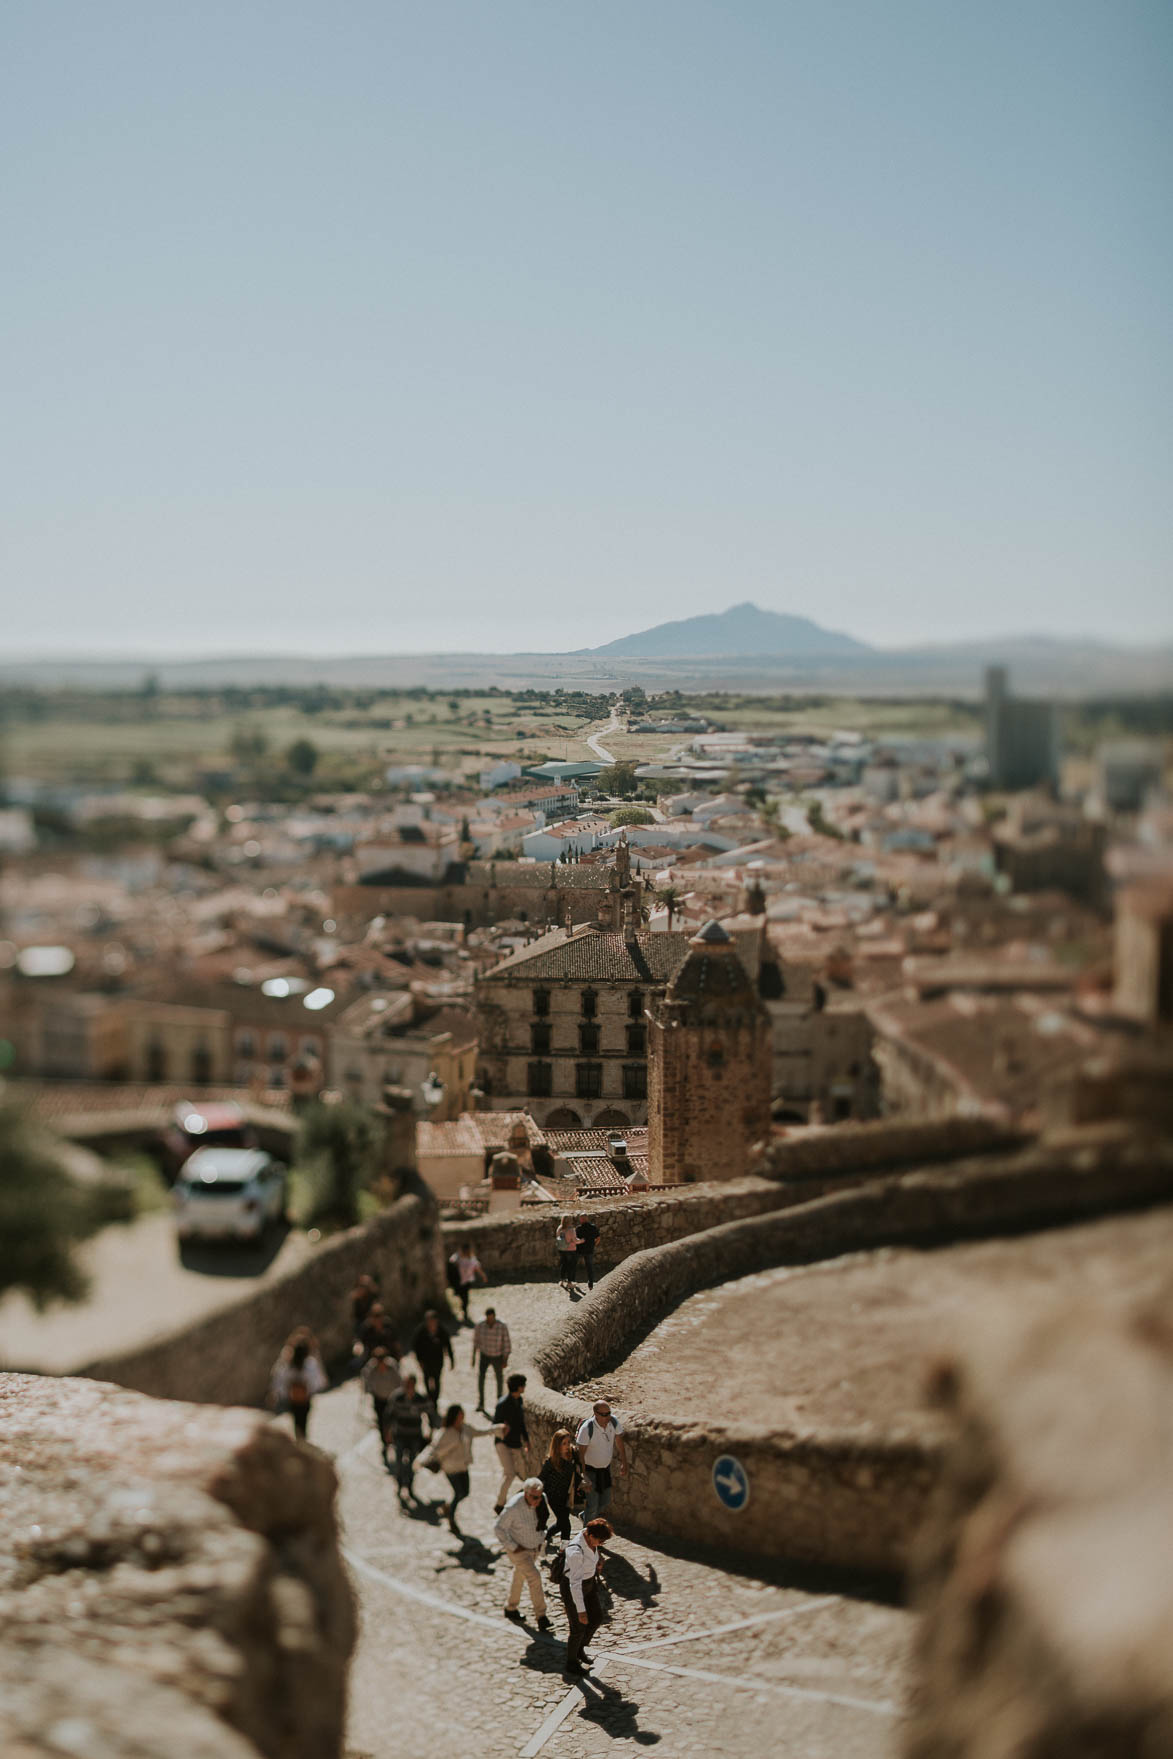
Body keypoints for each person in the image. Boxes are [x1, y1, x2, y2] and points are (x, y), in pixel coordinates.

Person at [421, 1403, 500, 1535]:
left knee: (465, 1492)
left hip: (463, 1466)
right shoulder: (445, 1433)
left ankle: (447, 1507)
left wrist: (496, 1429)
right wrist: (423, 1461)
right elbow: (434, 1449)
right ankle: (451, 1520)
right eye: (460, 1414)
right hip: (450, 1469)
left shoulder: (466, 1429)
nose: (462, 1417)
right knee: (458, 1493)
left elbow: (479, 1432)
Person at [494, 1478, 552, 1630]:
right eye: (534, 1497)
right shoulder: (514, 1507)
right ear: (526, 1493)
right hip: (518, 1550)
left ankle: (510, 1608)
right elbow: (499, 1528)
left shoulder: (542, 1499)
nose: (538, 1500)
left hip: (534, 1548)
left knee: (519, 1576)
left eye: (540, 1496)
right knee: (534, 1577)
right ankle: (541, 1616)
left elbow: (543, 1520)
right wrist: (512, 1546)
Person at [559, 1518, 612, 1676]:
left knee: (596, 1617)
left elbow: (592, 1556)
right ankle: (571, 1662)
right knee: (578, 1626)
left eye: (603, 1542)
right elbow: (574, 1585)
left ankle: (580, 1648)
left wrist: (598, 1562)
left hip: (589, 1584)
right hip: (574, 1588)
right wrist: (581, 1611)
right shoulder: (575, 1551)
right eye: (599, 1540)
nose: (601, 1544)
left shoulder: (591, 1540)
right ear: (589, 1535)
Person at [269, 1327, 327, 1443]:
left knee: (297, 1421)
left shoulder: (286, 1367)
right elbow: (319, 1382)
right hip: (305, 1399)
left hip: (293, 1400)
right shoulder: (310, 1365)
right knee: (303, 1421)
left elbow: (278, 1381)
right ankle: (302, 1440)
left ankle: (300, 1439)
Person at [575, 1400, 628, 1522]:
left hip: (605, 1470)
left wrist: (624, 1462)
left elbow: (619, 1442)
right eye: (603, 1414)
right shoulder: (587, 1428)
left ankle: (585, 1516)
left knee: (605, 1501)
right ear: (596, 1414)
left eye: (608, 1413)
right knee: (592, 1505)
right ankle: (588, 1535)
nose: (607, 1417)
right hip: (590, 1471)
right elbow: (580, 1454)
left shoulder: (613, 1422)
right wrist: (583, 1476)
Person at [384, 1372, 434, 1499]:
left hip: (414, 1436)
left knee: (412, 1464)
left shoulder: (421, 1399)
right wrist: (388, 1432)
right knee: (399, 1464)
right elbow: (389, 1416)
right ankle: (400, 1485)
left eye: (410, 1384)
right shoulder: (397, 1397)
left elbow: (430, 1414)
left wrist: (431, 1432)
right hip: (400, 1435)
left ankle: (410, 1486)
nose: (408, 1387)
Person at [492, 1373, 531, 1513]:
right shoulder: (503, 1404)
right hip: (503, 1443)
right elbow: (495, 1424)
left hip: (515, 1443)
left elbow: (521, 1423)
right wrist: (503, 1428)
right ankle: (500, 1504)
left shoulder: (518, 1400)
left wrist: (526, 1440)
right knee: (509, 1474)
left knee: (521, 1473)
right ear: (519, 1387)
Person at [539, 1428, 582, 1547]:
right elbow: (540, 1478)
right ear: (557, 1445)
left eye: (568, 1442)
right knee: (566, 1524)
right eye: (564, 1443)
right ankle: (564, 1549)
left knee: (561, 1523)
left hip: (566, 1496)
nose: (567, 1445)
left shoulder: (572, 1456)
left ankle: (545, 1536)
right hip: (553, 1497)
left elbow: (578, 1470)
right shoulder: (551, 1462)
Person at [411, 1308, 455, 1405]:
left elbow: (448, 1345)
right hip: (426, 1361)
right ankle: (430, 1397)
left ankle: (435, 1399)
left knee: (437, 1380)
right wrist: (419, 1360)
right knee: (427, 1379)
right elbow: (415, 1346)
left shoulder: (441, 1331)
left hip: (438, 1361)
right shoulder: (421, 1331)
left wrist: (452, 1360)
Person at [471, 1307, 511, 1411]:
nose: (490, 1321)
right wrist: (474, 1357)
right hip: (484, 1355)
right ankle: (481, 1403)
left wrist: (505, 1359)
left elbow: (506, 1343)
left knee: (499, 1379)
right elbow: (476, 1341)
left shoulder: (502, 1326)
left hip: (497, 1356)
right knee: (481, 1378)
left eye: (491, 1318)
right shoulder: (480, 1326)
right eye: (488, 1318)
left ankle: (499, 1402)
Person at [360, 1345, 401, 1443]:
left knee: (394, 1419)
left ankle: (395, 1438)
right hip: (379, 1398)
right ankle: (384, 1440)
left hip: (392, 1398)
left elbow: (399, 1381)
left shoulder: (392, 1365)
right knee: (381, 1420)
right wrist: (368, 1390)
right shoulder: (370, 1368)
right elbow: (366, 1380)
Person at [447, 1241, 487, 1322]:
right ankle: (463, 1309)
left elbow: (477, 1268)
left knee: (465, 1298)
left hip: (467, 1282)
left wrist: (483, 1276)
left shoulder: (472, 1258)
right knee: (462, 1296)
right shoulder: (457, 1257)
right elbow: (451, 1262)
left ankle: (464, 1312)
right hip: (458, 1281)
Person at [574, 1214, 600, 1291]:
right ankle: (591, 1284)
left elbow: (575, 1240)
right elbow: (598, 1238)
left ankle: (572, 1280)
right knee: (589, 1267)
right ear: (587, 1219)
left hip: (579, 1250)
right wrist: (594, 1245)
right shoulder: (593, 1227)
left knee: (574, 1265)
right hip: (589, 1250)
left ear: (581, 1220)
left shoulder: (578, 1228)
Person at [554, 1216, 580, 1289]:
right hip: (570, 1250)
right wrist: (582, 1241)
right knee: (571, 1267)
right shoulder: (571, 1230)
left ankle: (562, 1281)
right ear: (570, 1221)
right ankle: (569, 1283)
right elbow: (575, 1240)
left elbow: (558, 1237)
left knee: (563, 1265)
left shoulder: (559, 1228)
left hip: (562, 1250)